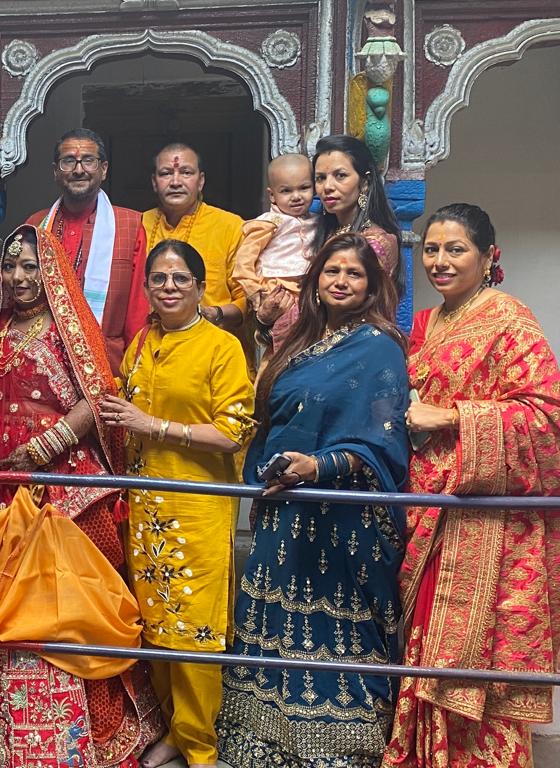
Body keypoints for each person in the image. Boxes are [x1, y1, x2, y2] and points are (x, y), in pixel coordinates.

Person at [0, 224, 165, 768]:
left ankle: (57, 741)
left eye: (29, 267)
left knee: (52, 614)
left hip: (60, 496)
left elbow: (98, 395)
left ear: (48, 274)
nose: (19, 277)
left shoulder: (65, 331)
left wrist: (50, 442)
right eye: (10, 267)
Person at [216, 232, 411, 768]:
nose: (341, 281)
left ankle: (339, 751)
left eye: (354, 274)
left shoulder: (378, 346)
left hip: (341, 516)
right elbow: (272, 412)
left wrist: (318, 466)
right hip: (284, 507)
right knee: (274, 629)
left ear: (372, 285)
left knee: (334, 632)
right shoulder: (301, 341)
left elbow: (385, 437)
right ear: (315, 281)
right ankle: (266, 742)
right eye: (332, 272)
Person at [384, 204, 560, 768]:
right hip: (425, 517)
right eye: (430, 249)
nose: (438, 261)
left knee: (475, 678)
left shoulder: (510, 320)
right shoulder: (426, 325)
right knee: (419, 658)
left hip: (487, 532)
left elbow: (547, 419)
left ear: (488, 257)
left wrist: (455, 417)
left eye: (454, 249)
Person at [99, 239, 256, 768]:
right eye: (159, 279)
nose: (168, 288)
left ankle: (202, 747)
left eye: (180, 279)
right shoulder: (143, 341)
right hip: (145, 507)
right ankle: (174, 731)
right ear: (146, 288)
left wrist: (155, 426)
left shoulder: (221, 346)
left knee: (195, 627)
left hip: (198, 506)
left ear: (199, 286)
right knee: (156, 624)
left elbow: (235, 432)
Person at [25, 128, 149, 373]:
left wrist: (133, 375)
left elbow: (138, 311)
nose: (79, 169)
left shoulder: (130, 226)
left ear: (103, 169)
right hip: (41, 364)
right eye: (68, 161)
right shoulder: (35, 225)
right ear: (55, 171)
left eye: (88, 161)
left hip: (107, 366)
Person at [141, 144, 247, 335]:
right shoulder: (138, 224)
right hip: (151, 349)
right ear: (154, 182)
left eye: (186, 172)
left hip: (212, 350)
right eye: (165, 173)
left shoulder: (230, 226)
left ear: (201, 181)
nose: (175, 182)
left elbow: (247, 300)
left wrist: (215, 313)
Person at [233, 153, 317, 352]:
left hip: (307, 291)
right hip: (276, 289)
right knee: (283, 343)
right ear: (272, 195)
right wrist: (253, 289)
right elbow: (244, 260)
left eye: (304, 188)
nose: (296, 196)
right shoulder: (269, 222)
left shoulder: (319, 221)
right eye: (286, 191)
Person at [309, 134, 402, 295]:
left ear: (364, 183)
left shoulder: (375, 243)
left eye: (340, 175)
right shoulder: (326, 233)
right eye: (320, 178)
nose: (327, 186)